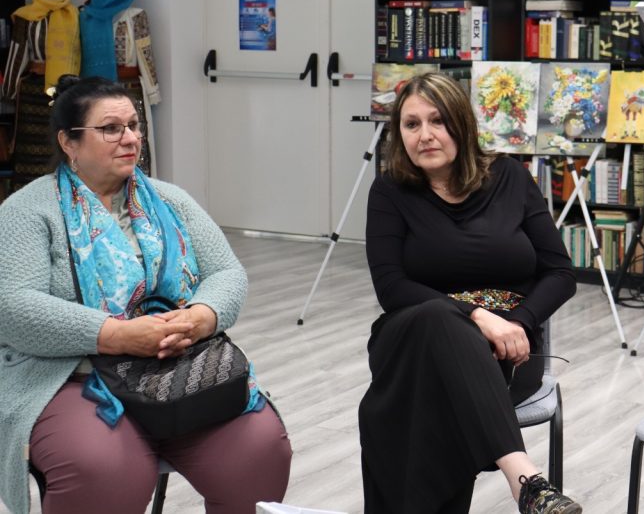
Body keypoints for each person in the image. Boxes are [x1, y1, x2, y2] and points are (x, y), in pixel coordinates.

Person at [0, 75, 292, 514]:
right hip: (72, 375)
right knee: (104, 469)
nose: (130, 138)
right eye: (111, 128)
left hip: (180, 367)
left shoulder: (170, 201)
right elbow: (14, 306)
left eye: (134, 126)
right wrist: (116, 335)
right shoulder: (28, 211)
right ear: (68, 142)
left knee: (259, 450)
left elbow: (226, 272)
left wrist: (200, 317)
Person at [359, 72, 581, 514]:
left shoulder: (510, 177)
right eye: (411, 124)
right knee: (438, 318)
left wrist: (519, 323)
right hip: (410, 332)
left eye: (437, 121)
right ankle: (526, 481)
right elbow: (391, 286)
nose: (425, 135)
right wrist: (477, 316)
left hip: (507, 349)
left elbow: (560, 272)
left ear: (461, 123)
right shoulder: (390, 190)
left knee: (425, 401)